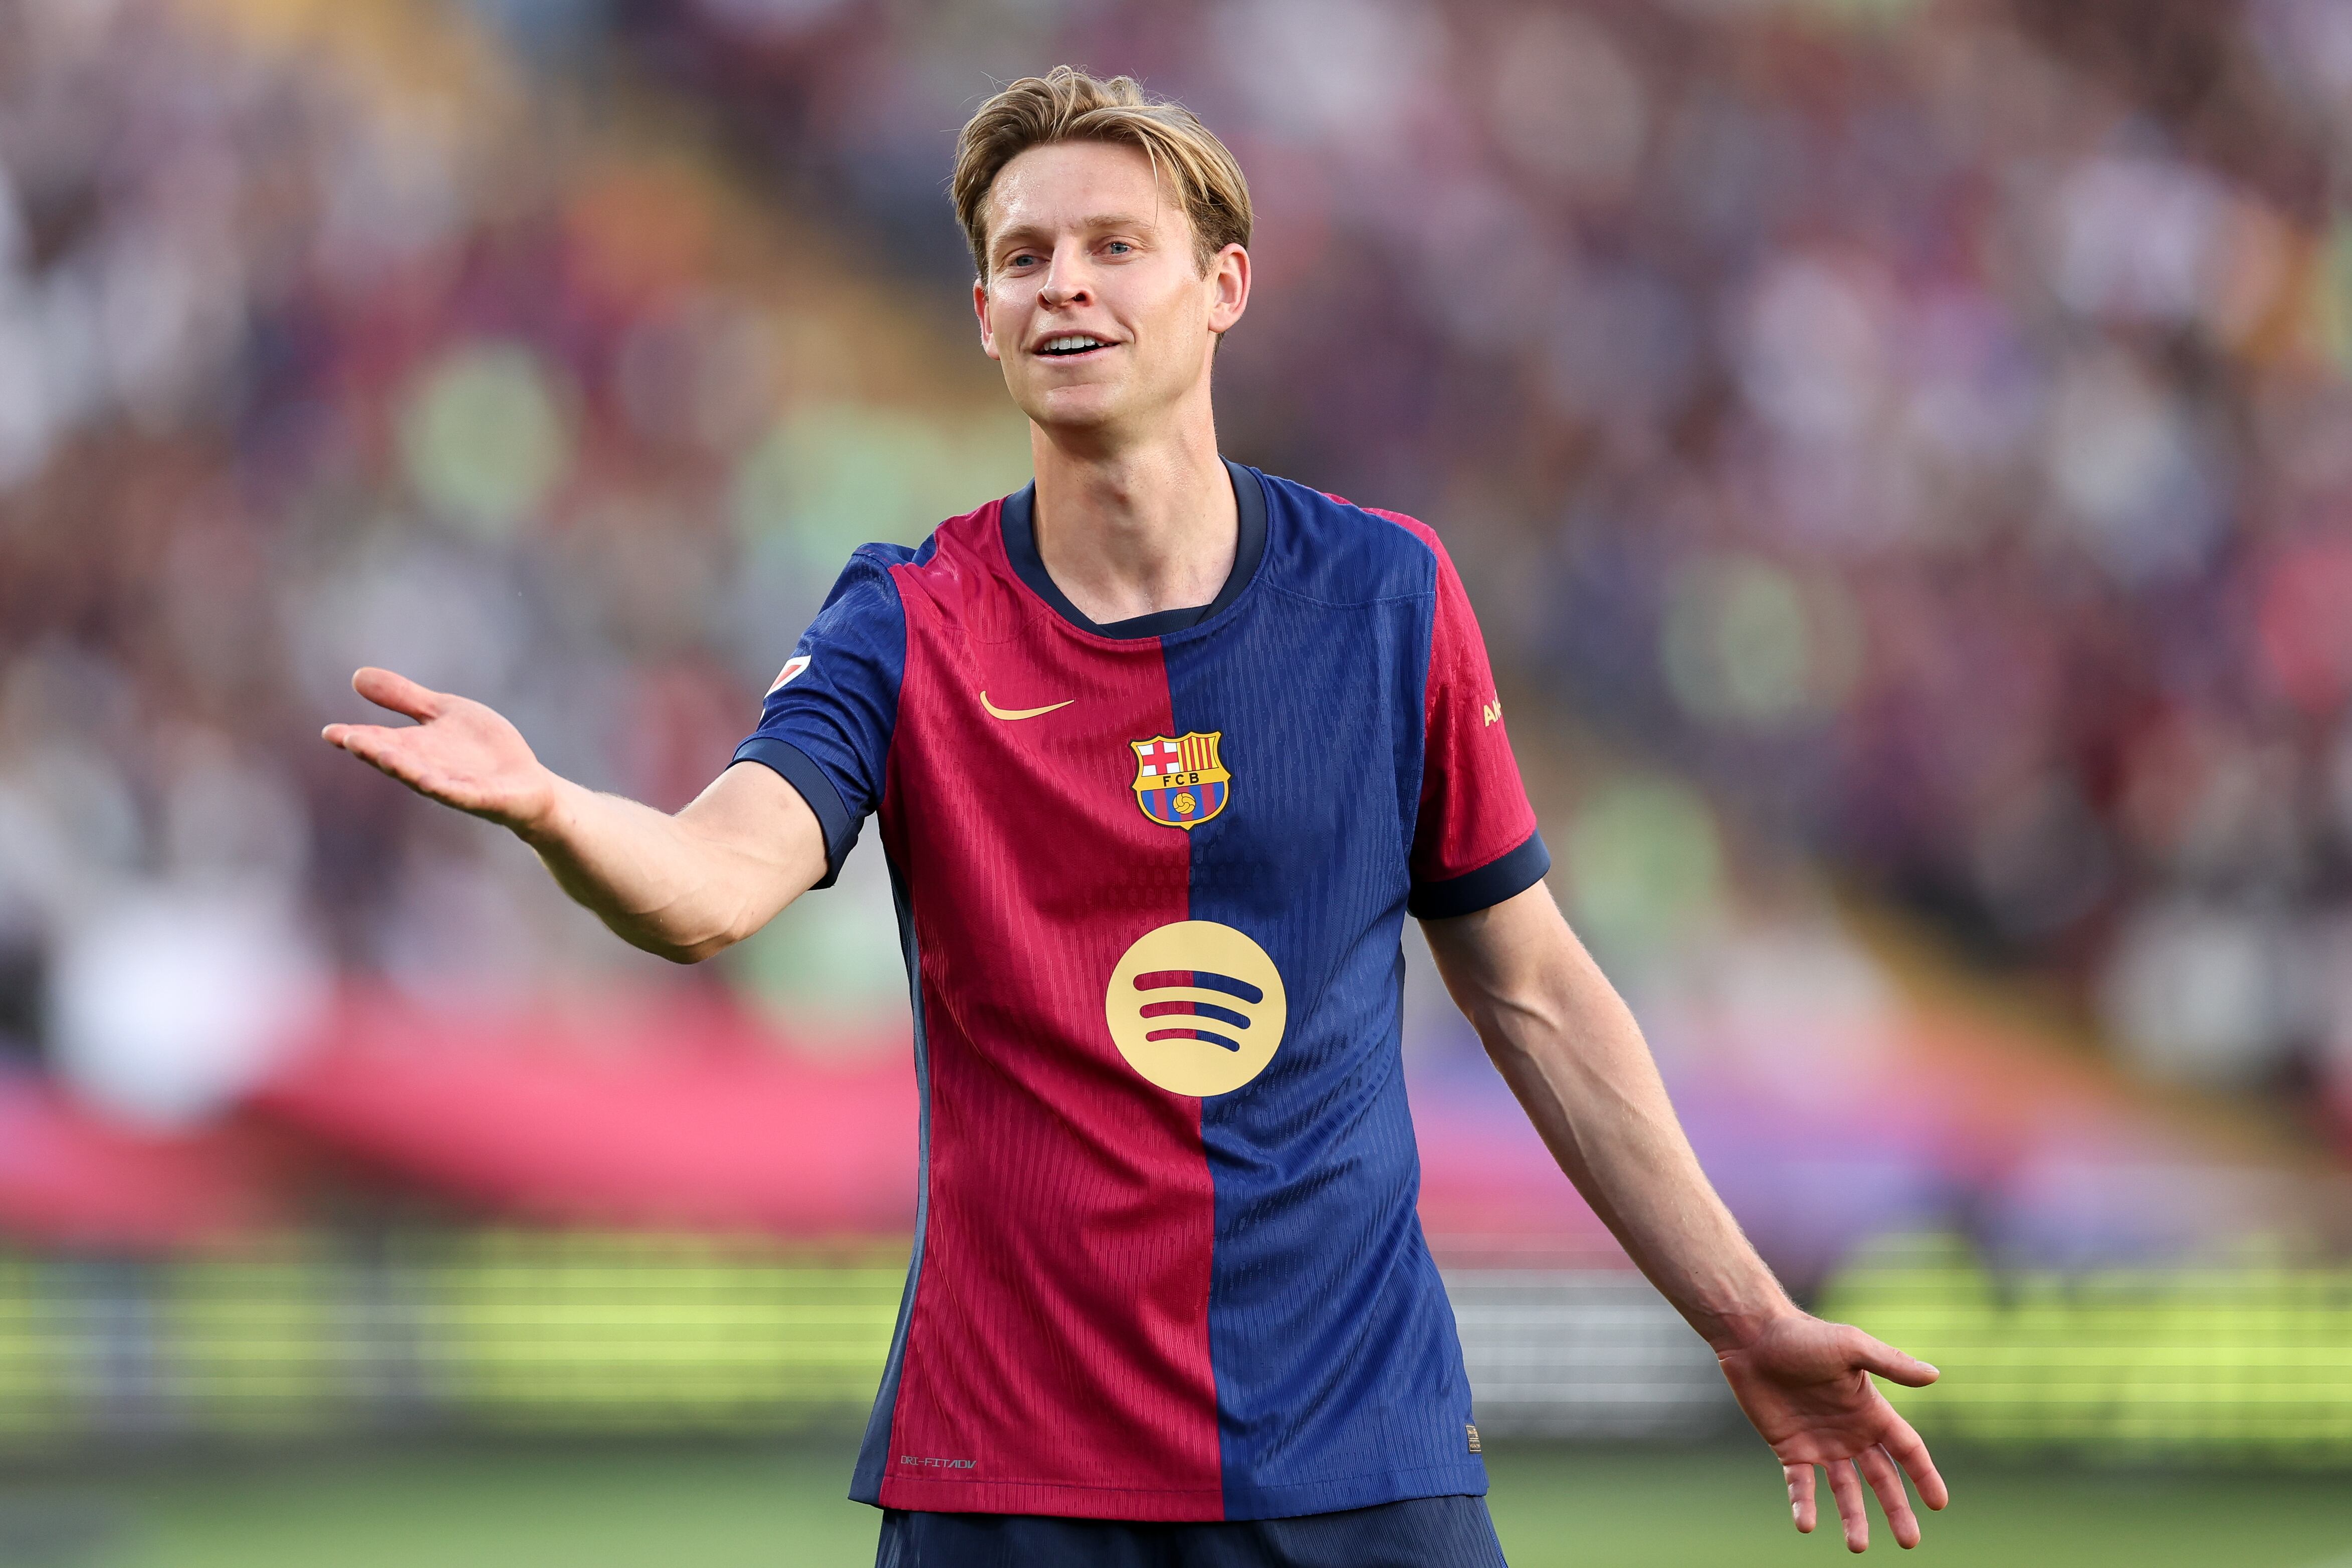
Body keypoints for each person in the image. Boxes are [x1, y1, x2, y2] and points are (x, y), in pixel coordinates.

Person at [323, 66, 1948, 1566]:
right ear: (981, 316)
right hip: (1014, 1477)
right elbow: (715, 879)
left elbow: (1532, 989)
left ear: (1222, 285)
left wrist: (1744, 1311)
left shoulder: (1389, 596)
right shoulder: (908, 620)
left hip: (1356, 1457)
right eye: (1024, 258)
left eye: (1115, 246)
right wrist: (554, 806)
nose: (1066, 285)